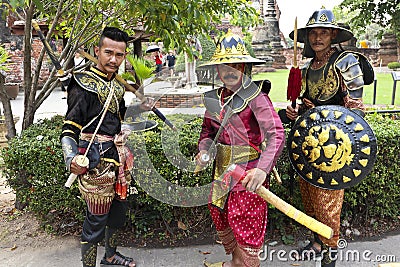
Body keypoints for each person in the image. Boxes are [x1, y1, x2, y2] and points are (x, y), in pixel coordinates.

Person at [60, 27, 154, 267]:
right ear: (97, 51)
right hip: (94, 162)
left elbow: (116, 115)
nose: (113, 59)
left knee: (117, 214)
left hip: (118, 158)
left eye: (119, 55)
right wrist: (71, 158)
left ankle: (110, 256)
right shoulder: (83, 85)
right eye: (108, 52)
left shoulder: (117, 85)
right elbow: (69, 128)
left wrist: (140, 109)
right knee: (95, 221)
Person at [285, 8, 368, 267]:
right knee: (310, 198)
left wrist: (336, 111)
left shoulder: (345, 62)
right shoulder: (310, 67)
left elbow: (355, 110)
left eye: (323, 32)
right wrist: (297, 111)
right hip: (311, 143)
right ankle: (317, 242)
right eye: (313, 33)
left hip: (335, 147)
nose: (317, 37)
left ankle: (330, 258)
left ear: (333, 34)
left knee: (328, 204)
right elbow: (309, 107)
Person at [196, 30, 285, 267]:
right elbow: (207, 133)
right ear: (217, 69)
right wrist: (204, 151)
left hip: (248, 176)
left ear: (244, 66)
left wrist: (263, 170)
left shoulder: (256, 97)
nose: (230, 70)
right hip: (221, 178)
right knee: (226, 224)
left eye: (236, 64)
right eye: (224, 65)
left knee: (247, 232)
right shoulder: (214, 99)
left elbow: (276, 134)